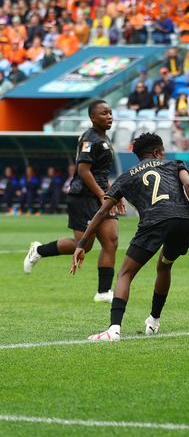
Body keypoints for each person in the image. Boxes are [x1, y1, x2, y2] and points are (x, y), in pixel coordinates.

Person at [71, 133, 189, 341]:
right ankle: (154, 320)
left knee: (125, 274)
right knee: (165, 265)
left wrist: (82, 243)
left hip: (154, 222)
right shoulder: (175, 164)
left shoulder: (128, 175)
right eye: (162, 152)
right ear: (157, 152)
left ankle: (114, 329)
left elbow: (102, 212)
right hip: (184, 221)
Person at [24, 100, 121, 302]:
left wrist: (114, 194)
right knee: (83, 245)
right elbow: (83, 171)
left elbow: (100, 173)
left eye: (110, 112)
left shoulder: (104, 137)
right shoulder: (89, 138)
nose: (109, 116)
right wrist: (101, 195)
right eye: (104, 113)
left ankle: (103, 292)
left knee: (111, 241)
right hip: (83, 197)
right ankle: (39, 250)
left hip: (101, 195)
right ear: (93, 118)